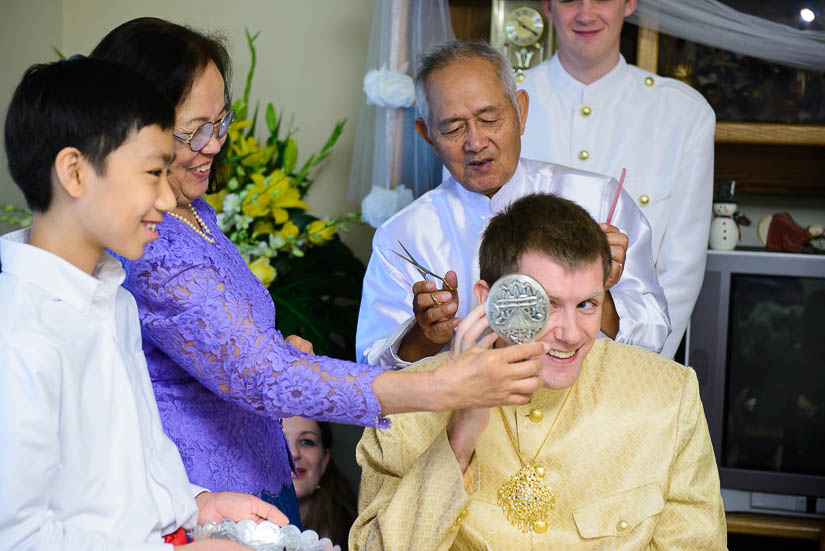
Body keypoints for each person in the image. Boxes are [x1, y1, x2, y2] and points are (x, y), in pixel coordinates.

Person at [89, 18, 550, 528]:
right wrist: (442, 386)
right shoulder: (150, 243)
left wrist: (278, 349)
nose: (216, 143)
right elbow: (260, 375)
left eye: (222, 121)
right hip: (201, 499)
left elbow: (234, 350)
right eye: (197, 130)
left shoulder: (195, 213)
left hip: (258, 479)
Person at [0, 57, 287, 550]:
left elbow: (141, 468)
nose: (165, 198)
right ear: (74, 173)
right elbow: (20, 536)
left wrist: (199, 504)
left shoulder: (115, 303)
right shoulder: (19, 335)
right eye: (152, 173)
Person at [351, 193, 726, 550]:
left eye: (586, 304)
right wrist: (460, 433)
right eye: (545, 304)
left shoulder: (668, 395)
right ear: (489, 298)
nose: (571, 333)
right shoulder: (405, 406)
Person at [356, 40, 670, 367]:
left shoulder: (599, 200)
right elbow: (370, 371)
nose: (475, 143)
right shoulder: (403, 236)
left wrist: (594, 291)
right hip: (466, 415)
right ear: (427, 135)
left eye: (490, 119)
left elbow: (655, 336)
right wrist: (423, 335)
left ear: (521, 111)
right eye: (453, 128)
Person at [519, 0, 715, 358]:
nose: (585, 13)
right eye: (568, 0)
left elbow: (681, 267)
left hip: (627, 359)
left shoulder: (683, 113)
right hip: (521, 356)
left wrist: (642, 369)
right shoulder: (502, 105)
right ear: (547, 6)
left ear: (629, 3)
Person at [282, 417, 357, 550]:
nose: (293, 453)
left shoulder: (357, 535)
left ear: (324, 461)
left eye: (306, 442)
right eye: (279, 440)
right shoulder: (233, 527)